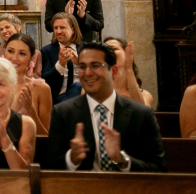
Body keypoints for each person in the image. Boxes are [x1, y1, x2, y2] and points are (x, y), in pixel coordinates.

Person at [44, 42, 165, 171]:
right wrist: (71, 159)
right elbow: (50, 167)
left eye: (96, 66)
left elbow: (158, 169)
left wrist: (121, 159)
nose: (88, 73)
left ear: (113, 71)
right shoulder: (63, 113)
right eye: (82, 67)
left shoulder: (141, 114)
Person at [42, 12, 83, 104]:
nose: (58, 31)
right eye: (55, 28)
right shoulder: (47, 50)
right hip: (58, 97)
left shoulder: (86, 49)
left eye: (62, 28)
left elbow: (95, 74)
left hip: (84, 96)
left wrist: (80, 63)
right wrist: (60, 65)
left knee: (77, 86)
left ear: (73, 30)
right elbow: (45, 80)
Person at [103, 38, 154, 107]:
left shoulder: (145, 95)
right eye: (104, 50)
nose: (108, 53)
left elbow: (141, 114)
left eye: (113, 49)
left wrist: (129, 69)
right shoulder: (96, 91)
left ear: (126, 53)